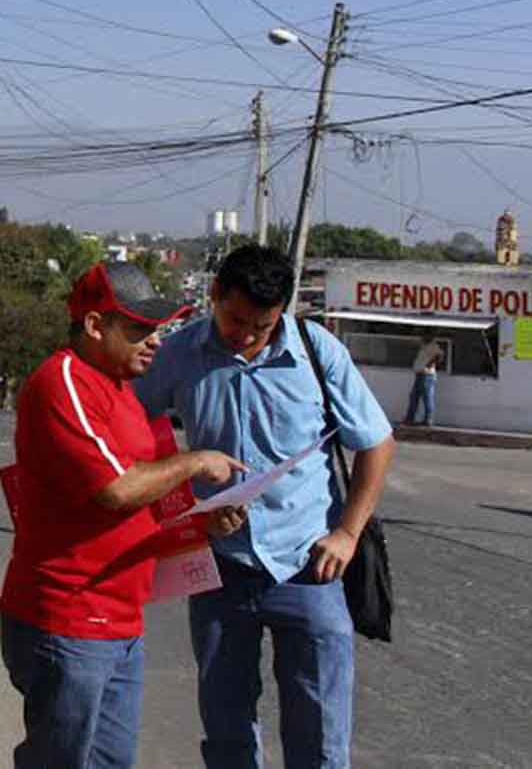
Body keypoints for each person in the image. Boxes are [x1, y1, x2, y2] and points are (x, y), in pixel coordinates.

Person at [136, 244, 397, 769]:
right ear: (214, 295)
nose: (248, 336)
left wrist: (347, 534)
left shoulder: (317, 352)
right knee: (227, 729)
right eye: (235, 321)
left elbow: (376, 441)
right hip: (218, 572)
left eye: (263, 325)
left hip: (309, 570)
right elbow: (134, 438)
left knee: (320, 737)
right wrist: (186, 504)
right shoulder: (179, 355)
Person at [0, 261, 249, 768]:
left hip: (119, 622)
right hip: (68, 620)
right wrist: (195, 460)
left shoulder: (123, 392)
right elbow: (116, 490)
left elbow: (145, 506)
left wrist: (204, 523)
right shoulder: (65, 382)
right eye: (139, 329)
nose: (154, 342)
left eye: (157, 330)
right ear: (94, 325)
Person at [403, 337, 443, 426]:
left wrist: (430, 364)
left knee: (427, 398)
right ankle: (410, 418)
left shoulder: (433, 345)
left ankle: (428, 420)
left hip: (427, 375)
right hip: (420, 374)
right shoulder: (423, 346)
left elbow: (440, 355)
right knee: (414, 396)